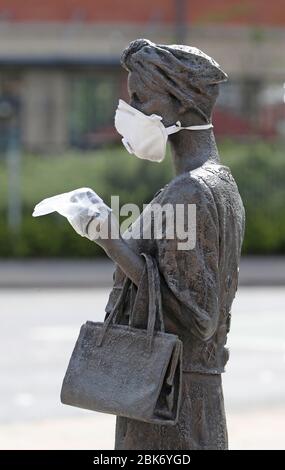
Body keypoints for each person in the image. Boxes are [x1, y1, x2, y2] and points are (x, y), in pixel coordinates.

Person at [70, 39, 245, 450]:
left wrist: (108, 237)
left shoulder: (192, 190)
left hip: (171, 406)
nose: (130, 109)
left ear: (181, 104)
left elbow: (197, 314)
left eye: (140, 98)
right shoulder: (218, 181)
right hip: (184, 395)